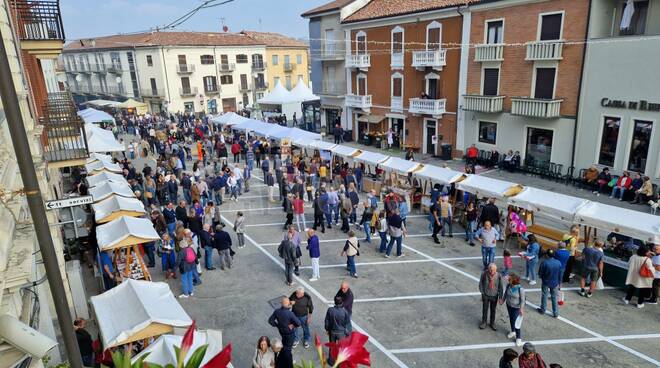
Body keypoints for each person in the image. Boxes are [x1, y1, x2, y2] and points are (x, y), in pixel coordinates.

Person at [537, 249, 562, 318]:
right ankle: (555, 313)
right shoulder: (558, 262)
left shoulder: (544, 263)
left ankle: (543, 309)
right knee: (554, 297)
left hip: (546, 282)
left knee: (544, 295)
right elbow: (560, 274)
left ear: (547, 255)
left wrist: (542, 277)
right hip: (555, 282)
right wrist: (560, 282)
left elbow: (540, 274)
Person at [478, 263, 503, 330]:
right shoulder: (484, 274)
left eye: (493, 270)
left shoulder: (498, 275)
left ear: (496, 270)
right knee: (485, 309)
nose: (492, 272)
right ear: (488, 269)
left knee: (493, 310)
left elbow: (500, 287)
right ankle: (484, 322)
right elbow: (480, 284)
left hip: (494, 295)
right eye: (491, 270)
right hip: (486, 295)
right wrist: (482, 293)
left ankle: (492, 323)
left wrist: (500, 297)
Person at [504, 273, 525, 346]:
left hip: (516, 308)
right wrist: (503, 300)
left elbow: (523, 300)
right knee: (511, 319)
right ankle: (513, 331)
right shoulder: (508, 286)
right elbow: (505, 293)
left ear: (513, 281)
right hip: (509, 305)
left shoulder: (520, 289)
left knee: (517, 323)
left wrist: (521, 309)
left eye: (509, 280)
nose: (508, 281)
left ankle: (518, 338)